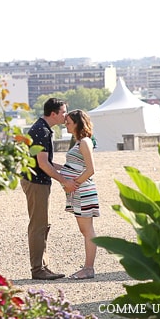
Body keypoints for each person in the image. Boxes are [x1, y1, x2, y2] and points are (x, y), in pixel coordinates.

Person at [22, 98, 76, 280]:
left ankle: (42, 266)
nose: (65, 115)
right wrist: (64, 181)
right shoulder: (42, 131)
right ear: (53, 114)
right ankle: (38, 270)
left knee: (42, 225)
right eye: (63, 112)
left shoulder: (41, 129)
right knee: (38, 226)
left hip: (37, 181)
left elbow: (46, 161)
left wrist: (63, 168)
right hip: (36, 182)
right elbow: (43, 164)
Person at [60, 109, 100, 280]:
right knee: (84, 230)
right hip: (79, 191)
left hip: (82, 190)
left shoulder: (84, 142)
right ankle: (87, 267)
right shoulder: (79, 142)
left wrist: (73, 184)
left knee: (87, 230)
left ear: (77, 123)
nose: (66, 125)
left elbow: (91, 170)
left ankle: (89, 268)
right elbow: (73, 166)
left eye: (68, 122)